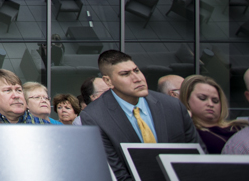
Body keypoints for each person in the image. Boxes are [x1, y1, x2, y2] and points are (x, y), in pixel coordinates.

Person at [80, 50, 197, 181]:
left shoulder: (172, 106)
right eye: (125, 74)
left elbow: (198, 158)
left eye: (136, 70)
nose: (137, 78)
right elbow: (116, 173)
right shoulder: (94, 116)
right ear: (108, 81)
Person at [178, 74, 247, 154]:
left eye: (215, 101)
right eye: (202, 98)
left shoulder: (240, 127)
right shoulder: (188, 132)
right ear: (186, 99)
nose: (210, 104)